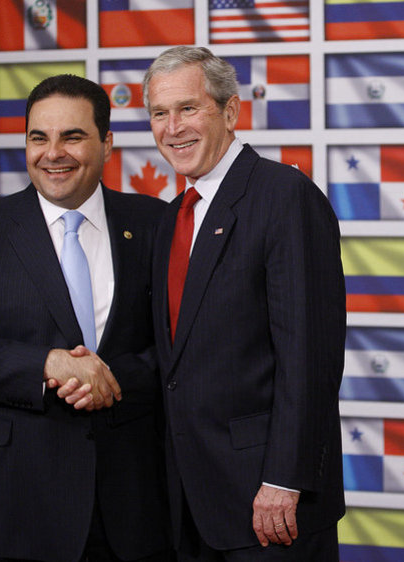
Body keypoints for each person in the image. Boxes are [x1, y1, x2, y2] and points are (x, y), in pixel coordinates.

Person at [0, 74, 172, 562]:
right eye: (39, 137)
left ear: (107, 143)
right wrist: (49, 365)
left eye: (72, 136)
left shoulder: (156, 223)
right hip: (26, 500)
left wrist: (109, 379)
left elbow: (182, 344)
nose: (52, 152)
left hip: (140, 499)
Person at [143, 46, 346, 560]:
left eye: (189, 108)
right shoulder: (172, 218)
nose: (172, 128)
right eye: (159, 113)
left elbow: (310, 355)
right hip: (189, 500)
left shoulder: (284, 196)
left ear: (231, 111)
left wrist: (285, 478)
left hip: (270, 504)